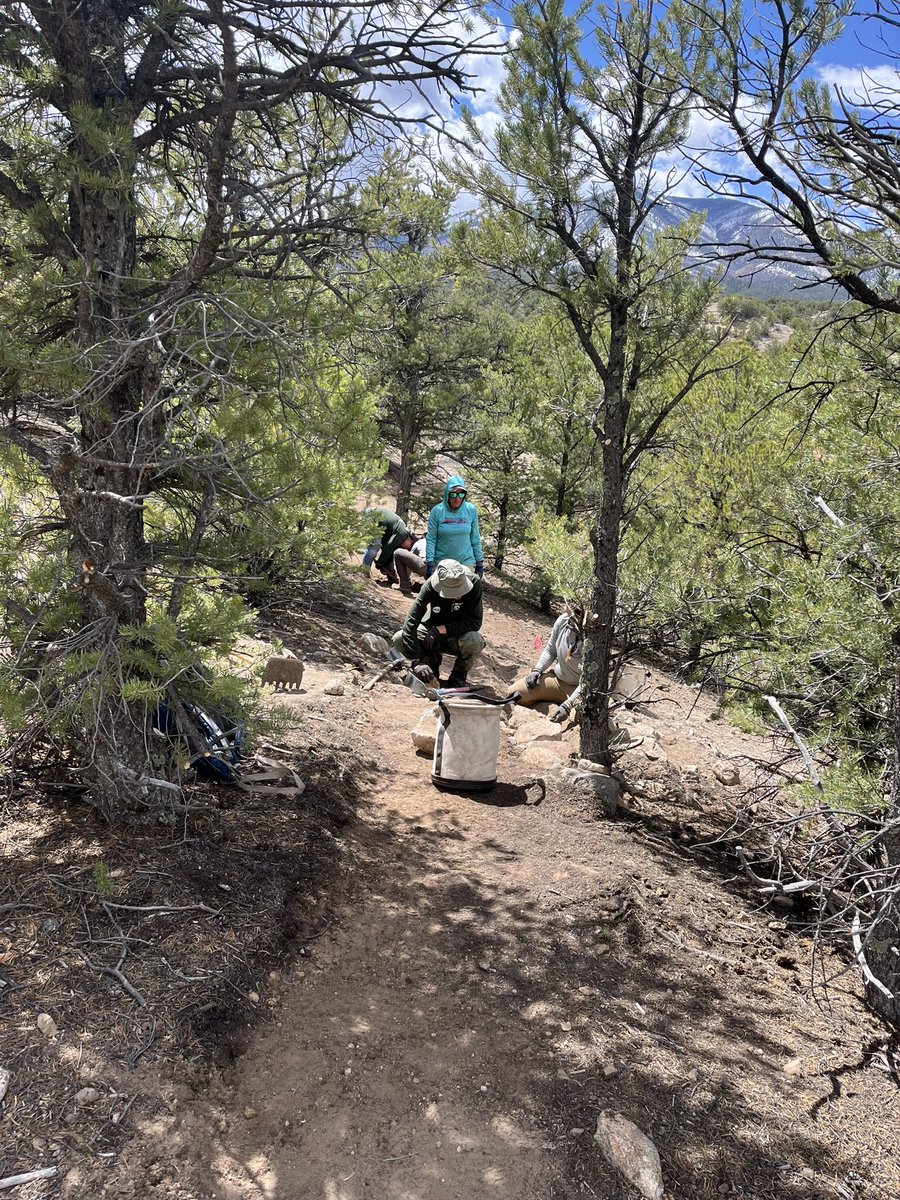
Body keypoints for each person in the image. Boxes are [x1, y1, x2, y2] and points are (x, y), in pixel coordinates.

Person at [393, 559, 485, 688]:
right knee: (399, 638)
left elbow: (475, 622)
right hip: (429, 634)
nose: (457, 595)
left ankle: (458, 675)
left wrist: (441, 630)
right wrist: (415, 661)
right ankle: (431, 665)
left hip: (456, 636)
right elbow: (412, 620)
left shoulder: (474, 583)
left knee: (474, 640)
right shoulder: (430, 585)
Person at [513, 604, 585, 723]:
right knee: (516, 693)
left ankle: (564, 704)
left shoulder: (592, 637)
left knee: (581, 717)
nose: (564, 607)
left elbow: (589, 680)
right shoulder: (562, 621)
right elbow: (551, 650)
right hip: (557, 681)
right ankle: (555, 699)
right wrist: (538, 669)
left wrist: (568, 705)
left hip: (579, 689)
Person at [425, 476, 484, 580]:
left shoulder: (470, 510)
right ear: (447, 494)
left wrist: (479, 562)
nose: (457, 498)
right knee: (445, 590)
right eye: (453, 494)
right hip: (442, 561)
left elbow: (475, 538)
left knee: (460, 588)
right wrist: (430, 563)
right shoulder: (437, 511)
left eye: (461, 494)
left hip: (465, 562)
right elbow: (431, 539)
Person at [362, 506, 412, 586]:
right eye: (410, 546)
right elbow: (388, 548)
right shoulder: (402, 533)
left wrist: (386, 568)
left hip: (375, 517)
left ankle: (390, 575)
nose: (407, 548)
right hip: (373, 516)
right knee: (374, 547)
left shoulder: (398, 532)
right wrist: (379, 565)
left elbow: (389, 553)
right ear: (410, 539)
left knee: (382, 550)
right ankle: (364, 574)